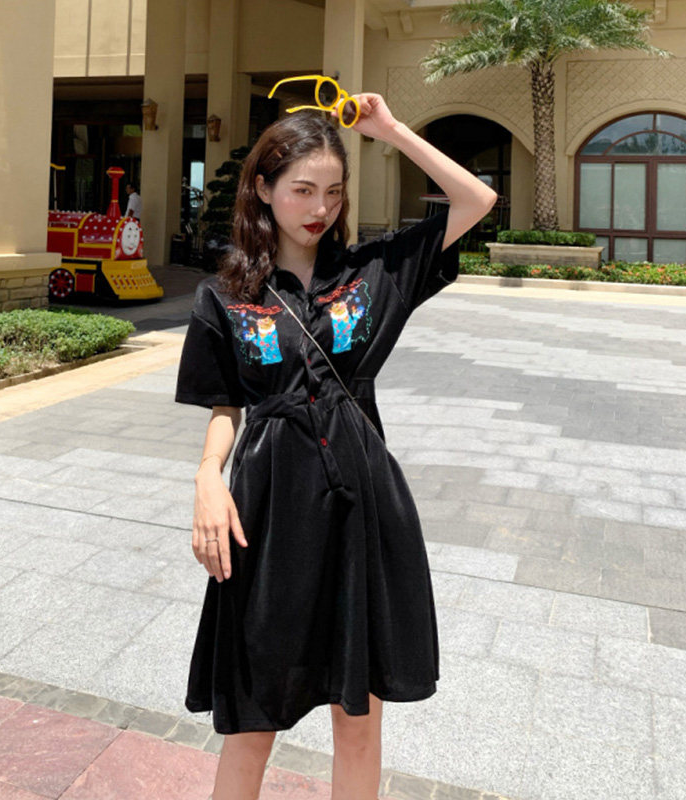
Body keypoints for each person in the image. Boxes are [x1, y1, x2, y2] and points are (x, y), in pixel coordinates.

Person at [174, 93, 496, 800]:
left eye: (333, 191)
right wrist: (207, 476)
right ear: (263, 188)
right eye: (302, 190)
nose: (319, 207)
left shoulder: (373, 273)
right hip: (269, 512)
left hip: (361, 508)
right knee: (252, 718)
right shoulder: (223, 296)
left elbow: (476, 200)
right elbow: (225, 405)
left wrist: (391, 130)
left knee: (358, 720)